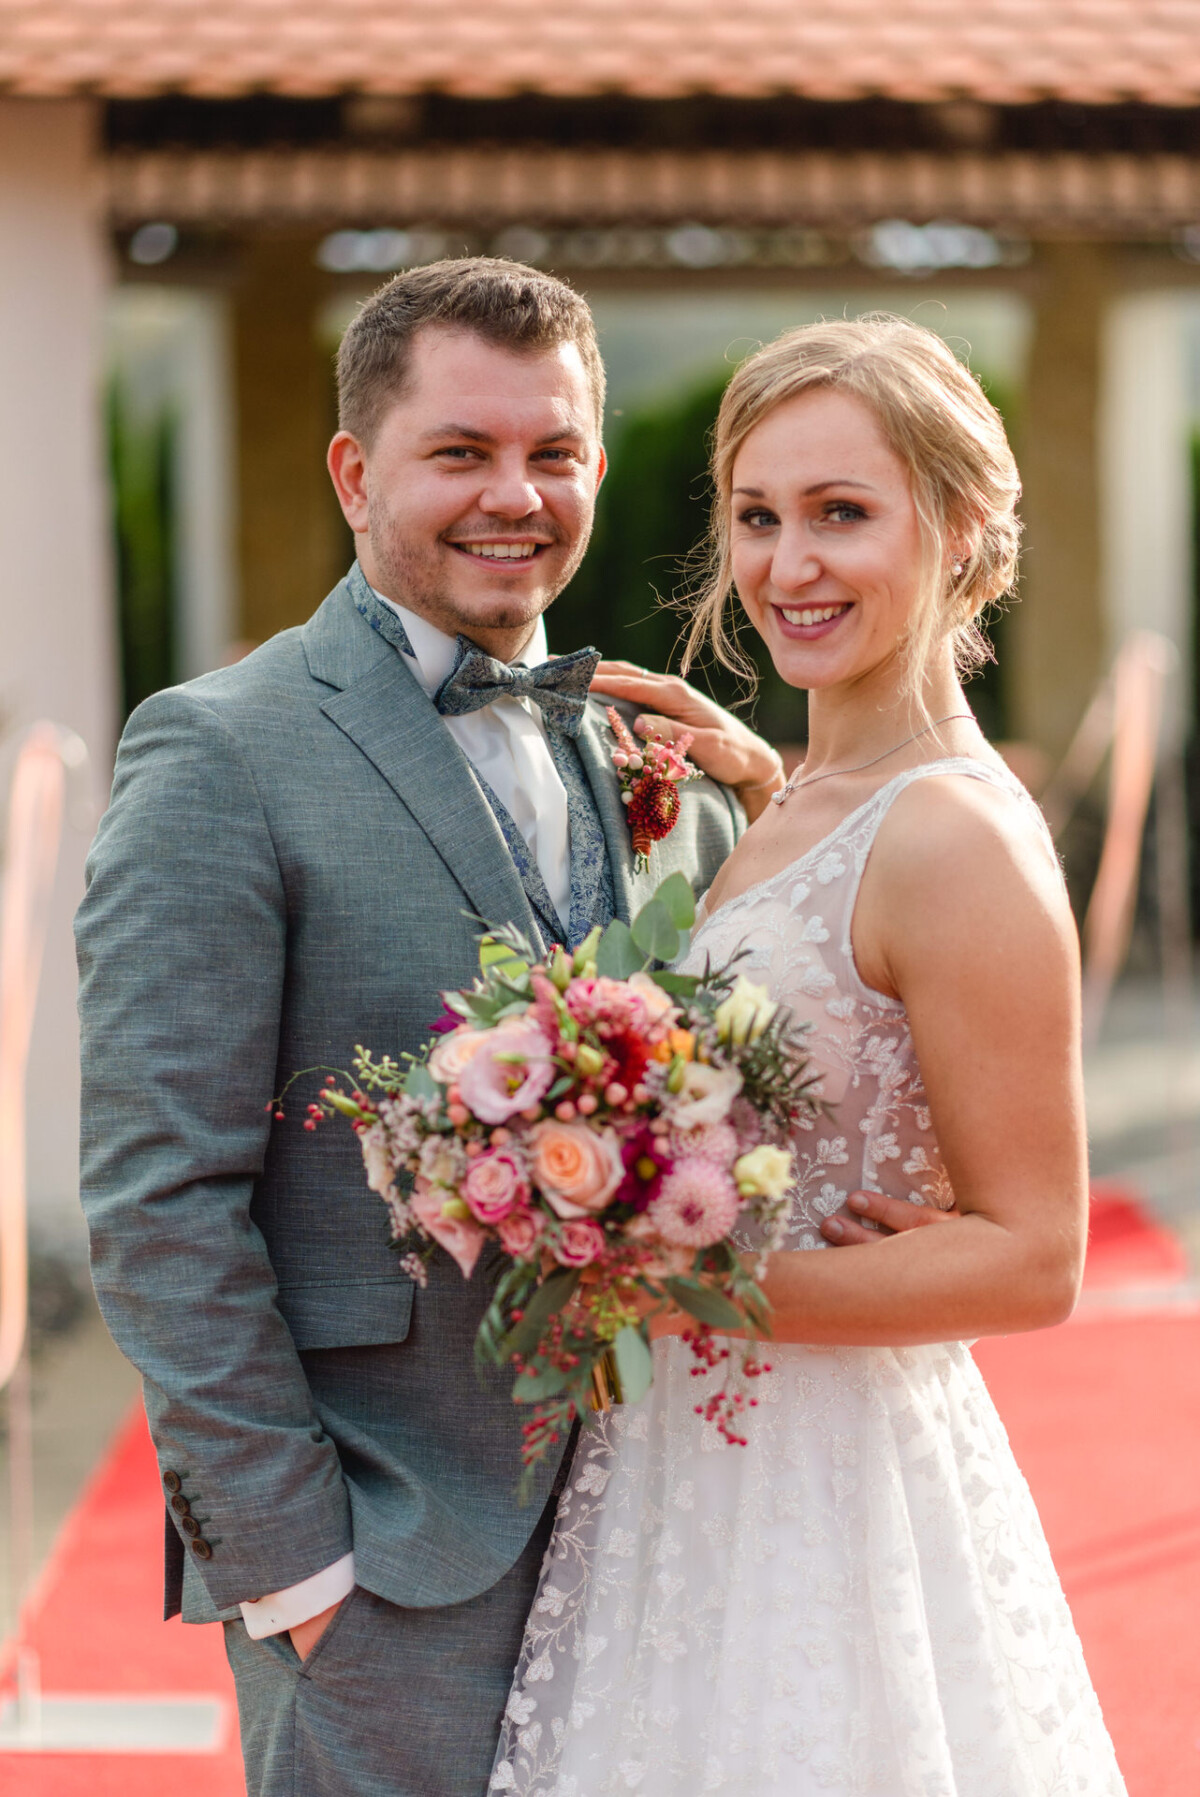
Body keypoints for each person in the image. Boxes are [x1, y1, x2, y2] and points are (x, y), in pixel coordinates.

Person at [73, 257, 786, 1797]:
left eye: (554, 452)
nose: (514, 494)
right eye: (461, 451)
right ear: (354, 470)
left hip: (663, 1538)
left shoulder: (648, 750)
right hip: (385, 1562)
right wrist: (299, 1575)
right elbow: (157, 1199)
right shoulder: (218, 752)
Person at [494, 315, 1127, 1796]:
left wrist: (671, 1281)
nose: (789, 566)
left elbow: (1040, 1256)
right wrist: (769, 786)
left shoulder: (958, 835)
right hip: (676, 1480)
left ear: (962, 530)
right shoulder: (800, 795)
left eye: (844, 513)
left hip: (831, 1497)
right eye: (759, 517)